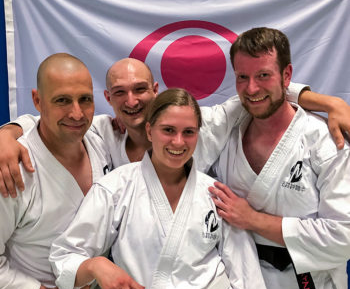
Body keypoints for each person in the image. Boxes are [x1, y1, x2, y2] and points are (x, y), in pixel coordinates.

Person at [49, 88, 281, 289]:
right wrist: (96, 265)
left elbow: (248, 281)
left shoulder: (214, 193)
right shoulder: (115, 189)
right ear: (150, 131)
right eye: (168, 130)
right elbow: (64, 257)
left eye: (188, 132)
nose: (178, 142)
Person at [1, 58, 350, 198]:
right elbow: (44, 119)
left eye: (140, 90)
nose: (132, 101)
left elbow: (255, 94)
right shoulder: (101, 134)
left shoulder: (202, 126)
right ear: (108, 98)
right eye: (120, 93)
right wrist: (6, 133)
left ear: (156, 90)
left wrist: (325, 102)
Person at [209, 27, 350, 289]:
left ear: (287, 75)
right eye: (242, 77)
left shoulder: (324, 141)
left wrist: (253, 219)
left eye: (263, 75)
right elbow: (175, 128)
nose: (251, 88)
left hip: (302, 288)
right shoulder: (228, 129)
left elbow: (343, 236)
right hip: (239, 284)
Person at [0, 53, 150, 289]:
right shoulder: (12, 169)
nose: (77, 113)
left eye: (85, 99)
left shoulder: (99, 138)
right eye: (62, 100)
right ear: (37, 100)